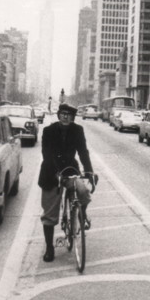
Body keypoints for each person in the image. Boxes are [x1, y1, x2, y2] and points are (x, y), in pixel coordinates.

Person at [38, 98, 93, 263]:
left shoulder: (78, 130)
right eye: (63, 114)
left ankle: (81, 214)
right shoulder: (48, 131)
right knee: (49, 214)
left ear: (73, 117)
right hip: (51, 172)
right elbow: (46, 154)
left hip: (70, 170)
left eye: (69, 115)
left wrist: (89, 171)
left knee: (82, 191)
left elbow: (83, 152)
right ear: (58, 115)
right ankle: (49, 247)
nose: (65, 117)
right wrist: (56, 173)